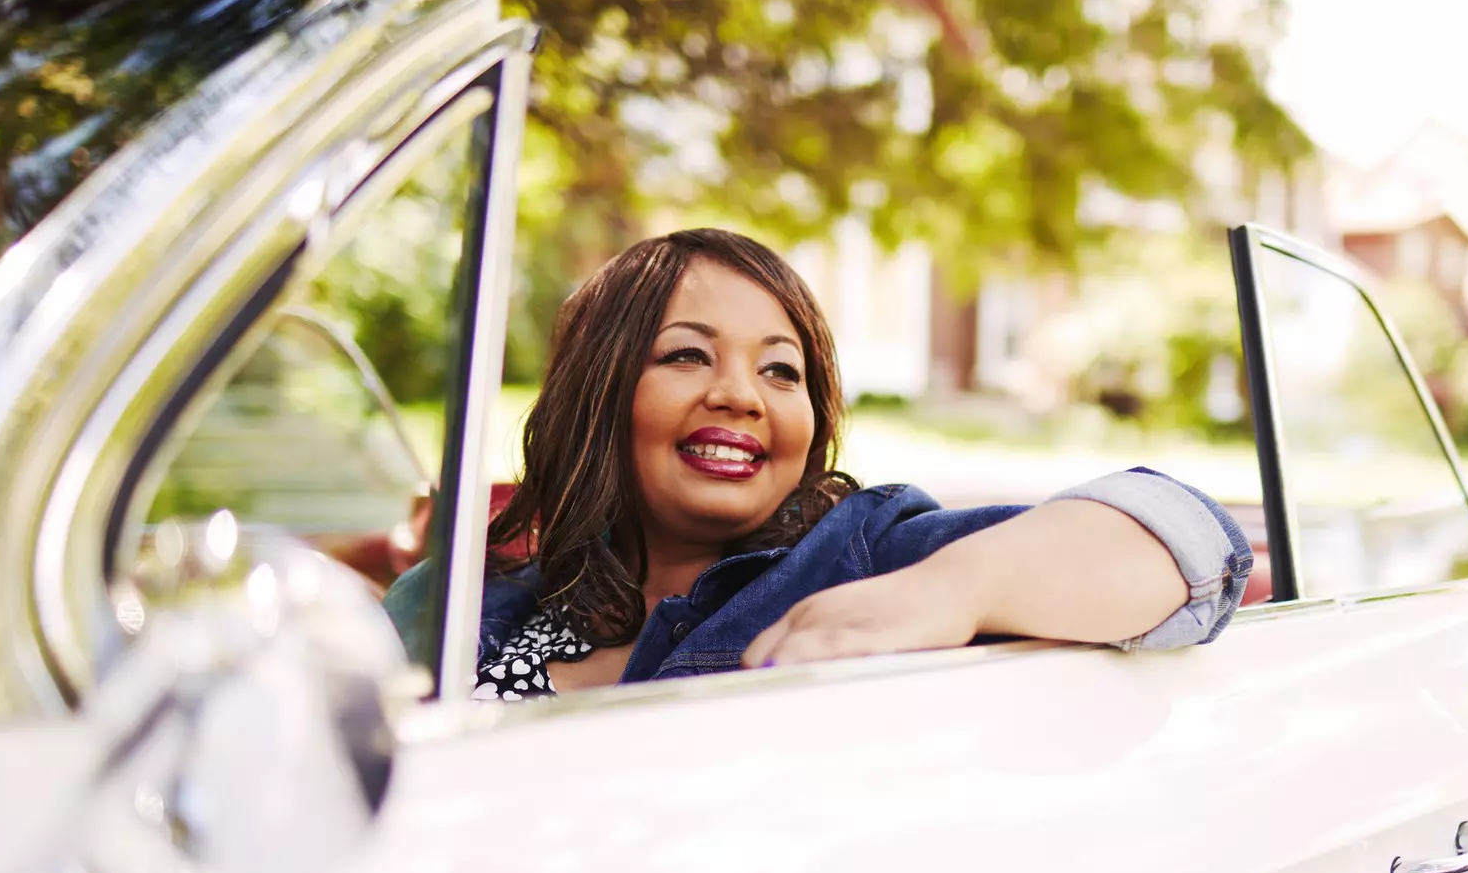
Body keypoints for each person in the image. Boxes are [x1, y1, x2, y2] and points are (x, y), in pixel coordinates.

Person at [388, 228, 1253, 699]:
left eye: (781, 370)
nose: (742, 395)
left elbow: (1185, 543)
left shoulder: (861, 552)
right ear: (597, 394)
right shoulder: (454, 601)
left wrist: (952, 591)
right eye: (688, 355)